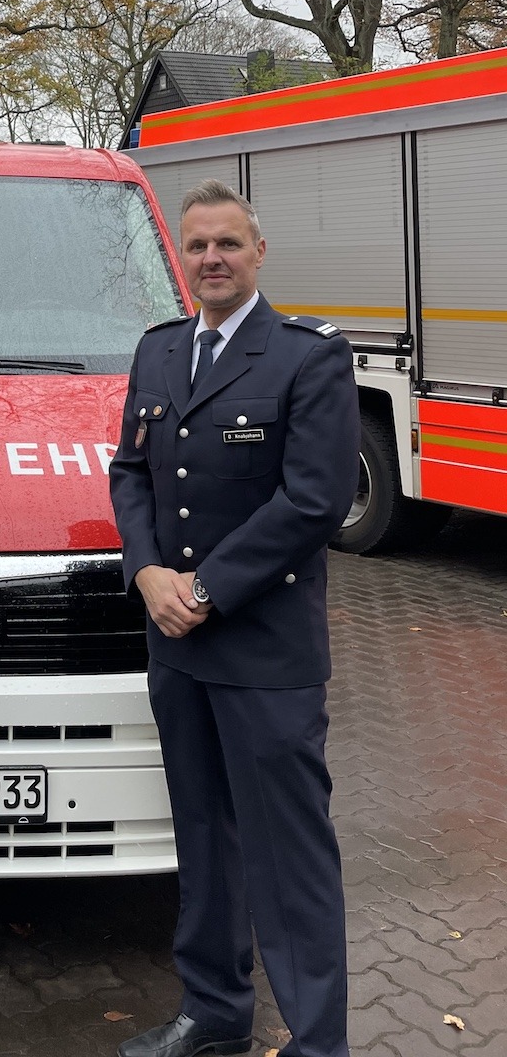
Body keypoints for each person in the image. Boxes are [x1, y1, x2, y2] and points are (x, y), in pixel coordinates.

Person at [109, 181, 359, 1057]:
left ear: (258, 252)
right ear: (181, 258)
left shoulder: (307, 357)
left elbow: (316, 498)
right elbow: (131, 473)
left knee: (289, 857)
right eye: (197, 246)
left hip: (263, 651)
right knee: (204, 841)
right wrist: (146, 572)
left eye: (227, 243)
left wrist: (204, 590)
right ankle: (214, 1013)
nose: (211, 258)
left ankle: (318, 1042)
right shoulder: (158, 351)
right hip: (177, 651)